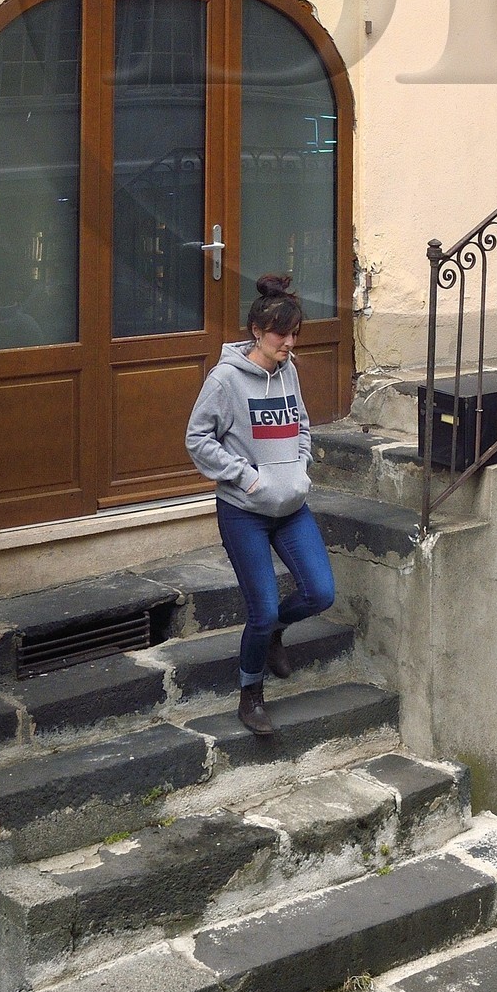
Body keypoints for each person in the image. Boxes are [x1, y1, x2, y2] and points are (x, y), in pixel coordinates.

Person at [185, 274, 337, 737]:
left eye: (294, 335)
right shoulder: (225, 380)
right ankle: (250, 693)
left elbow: (302, 423)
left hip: (291, 506)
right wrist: (247, 478)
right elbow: (197, 440)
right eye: (280, 334)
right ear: (256, 330)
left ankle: (273, 635)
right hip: (244, 512)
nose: (288, 343)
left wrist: (300, 465)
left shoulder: (288, 370)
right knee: (262, 608)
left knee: (320, 593)